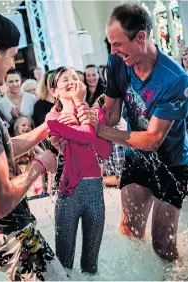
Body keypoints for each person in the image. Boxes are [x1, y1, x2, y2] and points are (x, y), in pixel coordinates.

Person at [76, 3, 188, 262]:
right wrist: (87, 118)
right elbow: (112, 114)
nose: (113, 51)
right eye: (110, 44)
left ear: (140, 37)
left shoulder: (175, 78)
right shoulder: (118, 61)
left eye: (118, 44)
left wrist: (101, 131)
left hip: (171, 165)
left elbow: (152, 140)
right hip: (137, 158)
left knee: (162, 246)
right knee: (130, 230)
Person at [0, 11, 68, 281]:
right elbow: (0, 202)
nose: (13, 63)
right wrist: (41, 164)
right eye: (11, 55)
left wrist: (47, 126)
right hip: (7, 233)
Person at [45, 67, 112, 274]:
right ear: (54, 91)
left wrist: (85, 119)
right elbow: (87, 137)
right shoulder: (53, 118)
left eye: (74, 77)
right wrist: (82, 113)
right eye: (64, 79)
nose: (71, 81)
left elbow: (105, 151)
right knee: (63, 264)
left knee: (91, 266)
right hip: (69, 193)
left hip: (95, 192)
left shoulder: (95, 114)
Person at [13, 115, 45, 198]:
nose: (27, 127)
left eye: (29, 126)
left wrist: (33, 145)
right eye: (23, 125)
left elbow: (44, 156)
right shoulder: (13, 143)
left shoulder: (36, 145)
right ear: (17, 128)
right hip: (18, 183)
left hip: (34, 184)